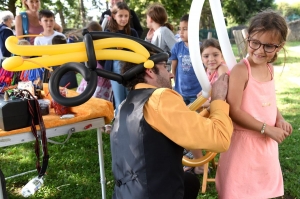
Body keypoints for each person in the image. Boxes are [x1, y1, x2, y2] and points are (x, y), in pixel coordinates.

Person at [110, 56, 233, 198]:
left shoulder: (125, 104)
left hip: (126, 193)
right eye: (165, 67)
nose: (171, 74)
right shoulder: (159, 97)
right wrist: (218, 100)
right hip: (155, 194)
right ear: (150, 71)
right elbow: (220, 139)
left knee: (190, 182)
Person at [215, 10, 293, 199]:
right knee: (240, 191)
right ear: (248, 38)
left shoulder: (269, 68)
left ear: (279, 46)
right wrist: (267, 128)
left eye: (268, 46)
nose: (259, 50)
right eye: (255, 42)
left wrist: (279, 118)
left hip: (265, 146)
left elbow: (268, 102)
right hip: (244, 147)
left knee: (264, 192)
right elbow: (234, 110)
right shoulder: (242, 70)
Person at [104, 2, 138, 113]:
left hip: (131, 70)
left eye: (126, 16)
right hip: (115, 71)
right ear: (114, 16)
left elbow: (138, 50)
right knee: (119, 100)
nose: (123, 19)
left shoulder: (132, 32)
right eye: (120, 16)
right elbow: (103, 53)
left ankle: (131, 124)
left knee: (131, 98)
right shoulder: (108, 32)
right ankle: (119, 125)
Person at [76, 21, 113, 101]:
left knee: (97, 99)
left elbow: (105, 61)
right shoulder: (87, 45)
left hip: (101, 77)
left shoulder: (102, 45)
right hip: (91, 77)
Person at [170, 14, 202, 105]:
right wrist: (176, 86)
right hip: (180, 93)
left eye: (185, 29)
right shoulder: (177, 47)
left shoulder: (201, 48)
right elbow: (174, 68)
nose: (181, 32)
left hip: (197, 94)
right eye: (180, 29)